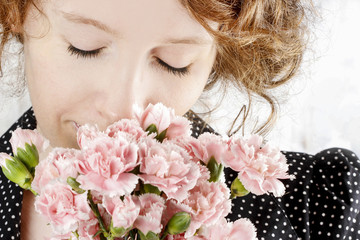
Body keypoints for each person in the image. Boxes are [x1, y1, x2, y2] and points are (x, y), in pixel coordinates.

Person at [0, 0, 359, 239]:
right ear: (16, 13)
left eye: (175, 62)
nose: (125, 108)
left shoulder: (323, 208)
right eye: (85, 46)